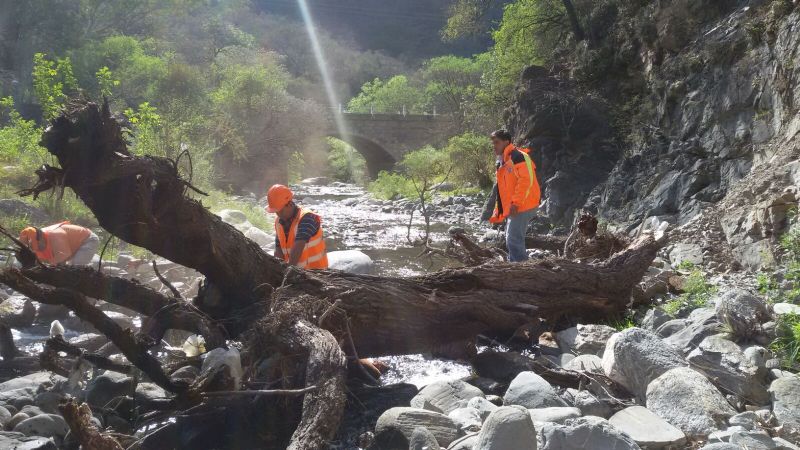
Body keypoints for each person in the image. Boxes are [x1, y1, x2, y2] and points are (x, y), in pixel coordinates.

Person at [488, 129, 541, 262]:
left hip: (524, 204)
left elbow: (526, 180)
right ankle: (517, 269)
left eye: (497, 142)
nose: (494, 146)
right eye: (493, 143)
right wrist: (499, 211)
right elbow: (502, 189)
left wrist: (516, 203)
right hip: (516, 206)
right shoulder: (502, 161)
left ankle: (521, 272)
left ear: (506, 142)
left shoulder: (519, 156)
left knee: (513, 240)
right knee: (512, 239)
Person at [266, 184, 329, 269]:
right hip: (297, 273)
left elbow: (299, 246)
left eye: (280, 211)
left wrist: (287, 272)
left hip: (318, 273)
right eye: (276, 212)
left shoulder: (307, 218)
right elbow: (278, 249)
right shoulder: (279, 222)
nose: (278, 214)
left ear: (289, 204)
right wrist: (277, 268)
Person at [19, 222, 100, 266]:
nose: (38, 249)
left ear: (40, 238)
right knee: (65, 267)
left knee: (76, 267)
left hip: (88, 240)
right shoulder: (37, 244)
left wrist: (50, 266)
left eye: (37, 246)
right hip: (72, 246)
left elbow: (64, 255)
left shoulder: (55, 235)